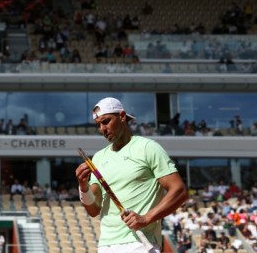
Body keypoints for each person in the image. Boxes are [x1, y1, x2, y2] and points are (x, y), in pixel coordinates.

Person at [75, 97, 189, 253]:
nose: (102, 129)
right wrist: (83, 186)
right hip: (106, 245)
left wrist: (146, 218)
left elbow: (180, 191)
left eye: (106, 121)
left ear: (122, 116)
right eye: (98, 125)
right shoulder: (99, 158)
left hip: (141, 244)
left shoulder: (148, 148)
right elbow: (93, 209)